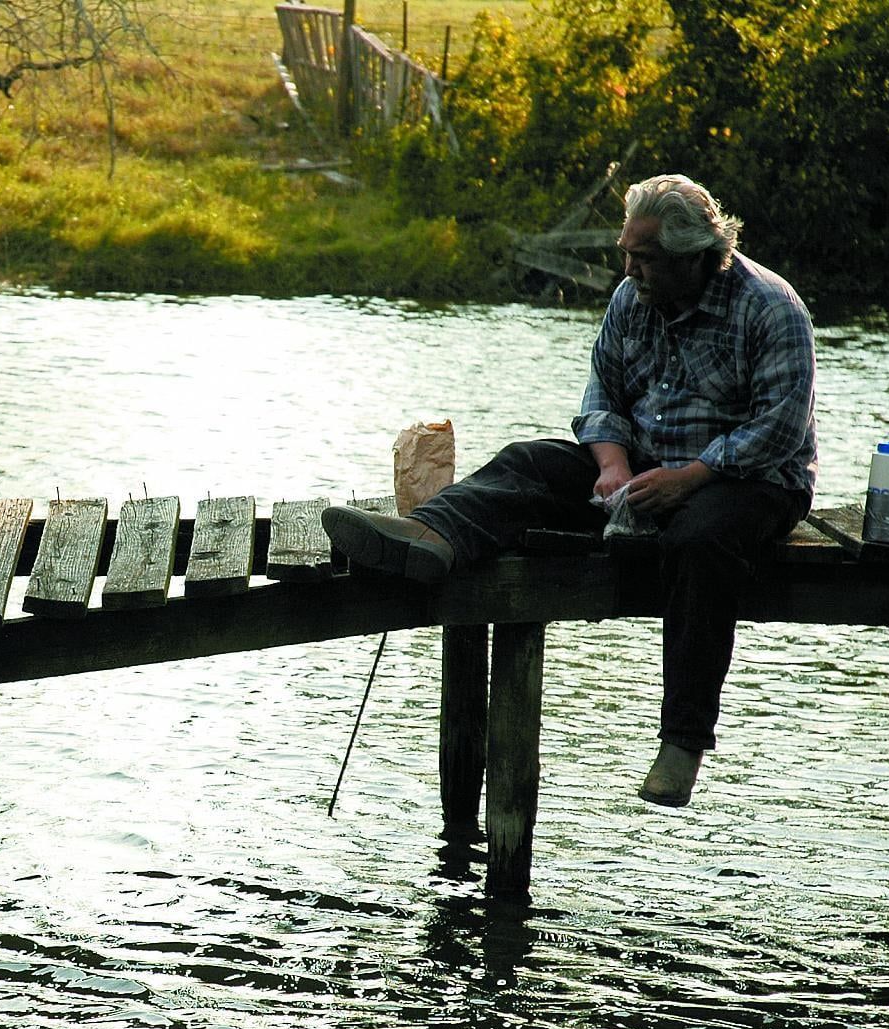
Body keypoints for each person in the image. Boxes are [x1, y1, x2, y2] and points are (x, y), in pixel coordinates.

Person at [322, 173, 817, 808]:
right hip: (641, 464)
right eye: (626, 253)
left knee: (700, 541)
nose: (631, 268)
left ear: (694, 256)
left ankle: (683, 741)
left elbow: (776, 429)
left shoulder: (771, 307)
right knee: (529, 462)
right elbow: (602, 394)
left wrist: (687, 479)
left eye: (646, 258)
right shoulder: (630, 299)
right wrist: (610, 464)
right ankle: (432, 536)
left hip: (747, 480)